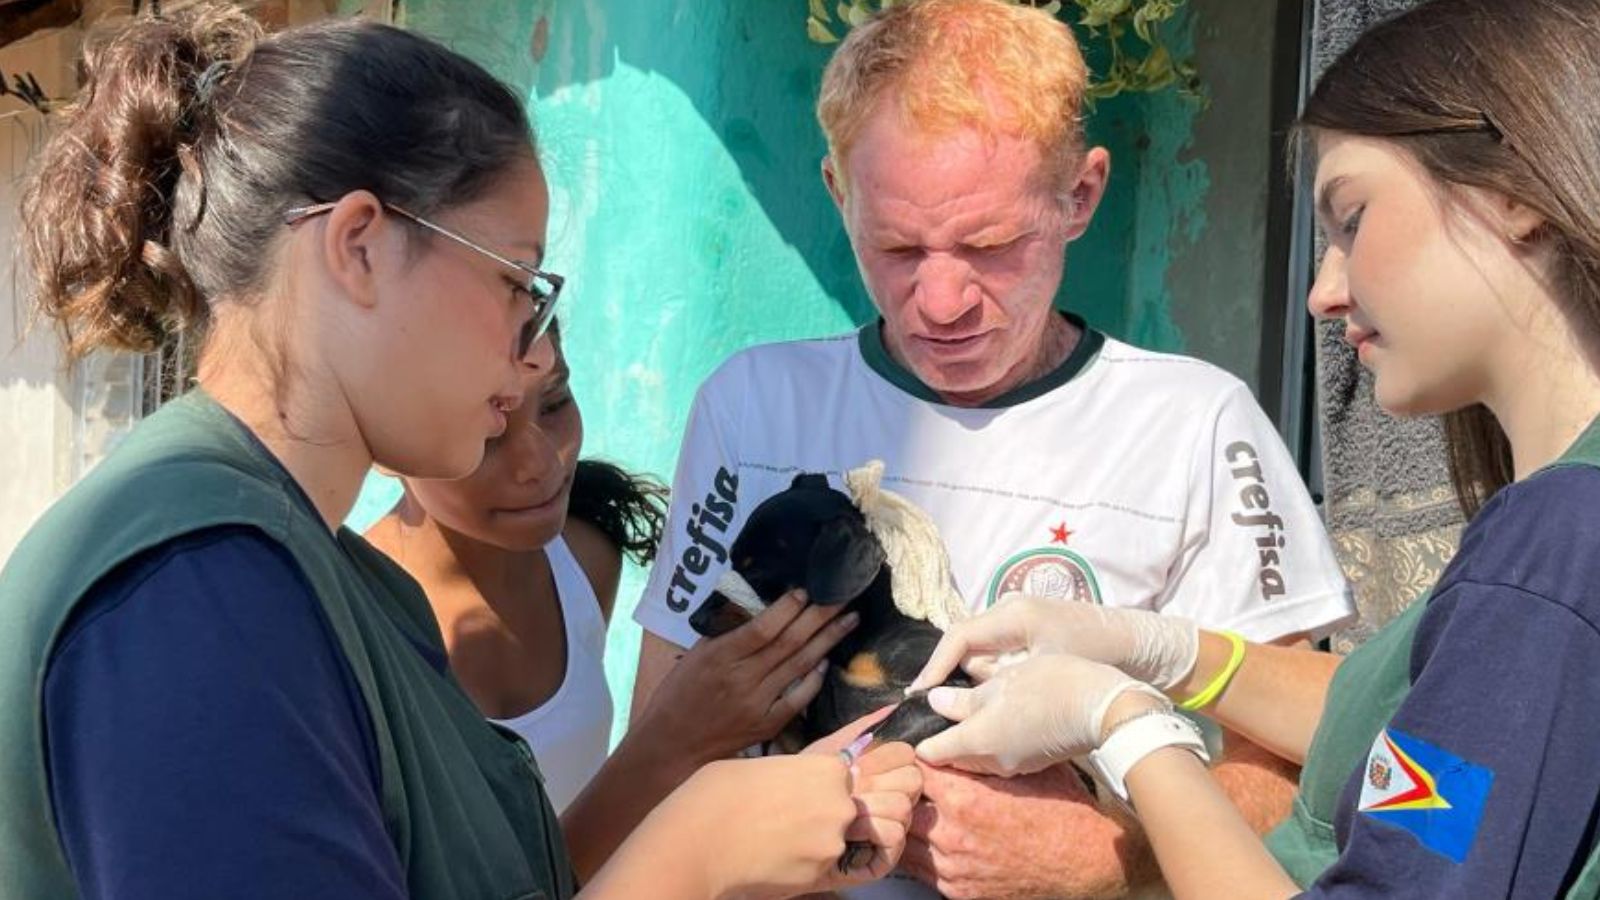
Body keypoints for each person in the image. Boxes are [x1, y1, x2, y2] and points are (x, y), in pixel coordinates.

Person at [0, 6, 920, 899]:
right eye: (518, 281)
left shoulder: (331, 580)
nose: (530, 348)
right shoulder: (195, 593)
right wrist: (693, 859)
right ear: (359, 246)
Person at [628, 1, 1355, 897]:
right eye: (895, 247)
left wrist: (1108, 859)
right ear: (835, 192)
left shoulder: (1198, 426)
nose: (941, 300)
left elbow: (1303, 782)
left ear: (1081, 195)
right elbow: (656, 748)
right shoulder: (751, 409)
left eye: (991, 243)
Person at [906, 0, 1600, 896]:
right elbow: (1430, 740)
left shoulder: (1552, 547)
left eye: (1351, 219)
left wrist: (1121, 724)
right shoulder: (1558, 540)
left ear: (1512, 197)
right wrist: (1155, 651)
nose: (1323, 292)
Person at [368, 324, 864, 879]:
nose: (542, 462)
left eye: (554, 403)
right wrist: (671, 741)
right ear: (383, 437)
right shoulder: (357, 632)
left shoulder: (583, 558)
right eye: (489, 433)